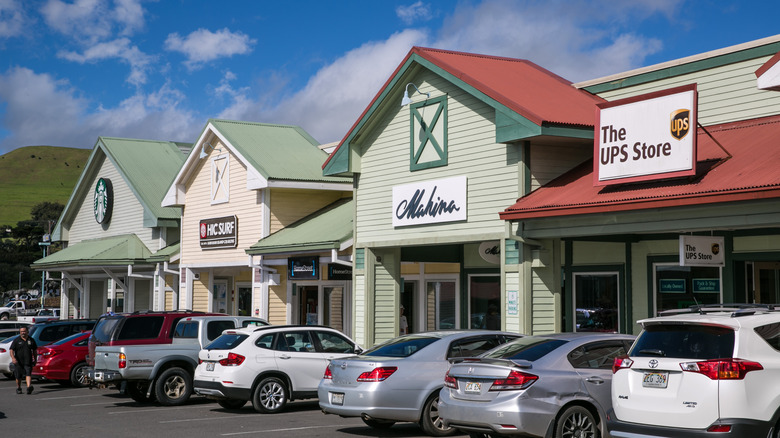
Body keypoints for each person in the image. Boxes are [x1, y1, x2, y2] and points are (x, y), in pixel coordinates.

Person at [10, 326, 38, 394]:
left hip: (28, 361)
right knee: (18, 376)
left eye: (24, 331)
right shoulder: (16, 340)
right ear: (20, 332)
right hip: (18, 362)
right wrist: (13, 358)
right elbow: (11, 350)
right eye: (21, 332)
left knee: (28, 374)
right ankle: (18, 387)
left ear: (27, 332)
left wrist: (35, 359)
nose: (23, 333)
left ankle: (29, 387)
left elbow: (34, 350)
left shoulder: (31, 340)